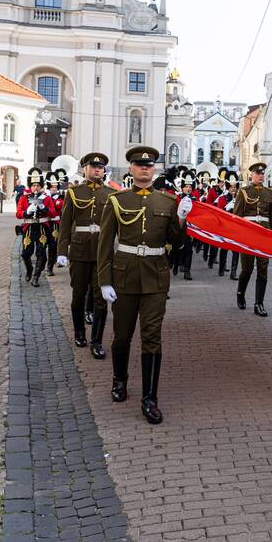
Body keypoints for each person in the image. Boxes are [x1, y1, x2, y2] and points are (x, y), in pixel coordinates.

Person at [97, 146, 191, 425]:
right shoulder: (117, 200)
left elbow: (178, 241)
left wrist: (183, 219)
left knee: (152, 337)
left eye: (149, 165)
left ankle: (150, 398)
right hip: (124, 277)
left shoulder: (167, 202)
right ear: (131, 169)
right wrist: (104, 280)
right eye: (139, 165)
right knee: (122, 335)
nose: (145, 169)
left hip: (155, 277)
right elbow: (104, 244)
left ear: (155, 169)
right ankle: (119, 380)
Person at [57, 152, 115, 359]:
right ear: (85, 169)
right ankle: (79, 332)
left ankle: (97, 341)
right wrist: (62, 251)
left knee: (100, 299)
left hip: (102, 252)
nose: (98, 169)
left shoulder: (110, 194)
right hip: (80, 251)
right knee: (78, 296)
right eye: (93, 166)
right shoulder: (73, 193)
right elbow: (65, 224)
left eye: (101, 167)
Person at [234, 162, 272, 316]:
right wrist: (239, 237)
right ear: (251, 175)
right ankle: (240, 293)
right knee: (247, 269)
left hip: (264, 236)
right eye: (257, 173)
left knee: (263, 269)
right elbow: (237, 217)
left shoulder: (270, 194)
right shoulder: (243, 192)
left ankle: (259, 303)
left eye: (262, 173)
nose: (260, 176)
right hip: (248, 236)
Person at [16, 168, 57, 286]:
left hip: (42, 228)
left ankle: (36, 277)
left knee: (41, 254)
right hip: (29, 227)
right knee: (25, 253)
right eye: (33, 185)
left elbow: (53, 213)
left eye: (38, 185)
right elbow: (18, 214)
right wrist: (26, 212)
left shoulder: (47, 198)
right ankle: (29, 269)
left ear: (41, 186)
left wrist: (44, 208)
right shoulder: (24, 198)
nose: (35, 188)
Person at [44, 171, 64, 275]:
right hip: (45, 223)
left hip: (55, 224)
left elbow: (61, 207)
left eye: (56, 186)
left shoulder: (60, 197)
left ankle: (50, 267)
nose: (54, 188)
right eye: (52, 187)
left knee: (53, 246)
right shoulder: (44, 196)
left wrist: (56, 201)